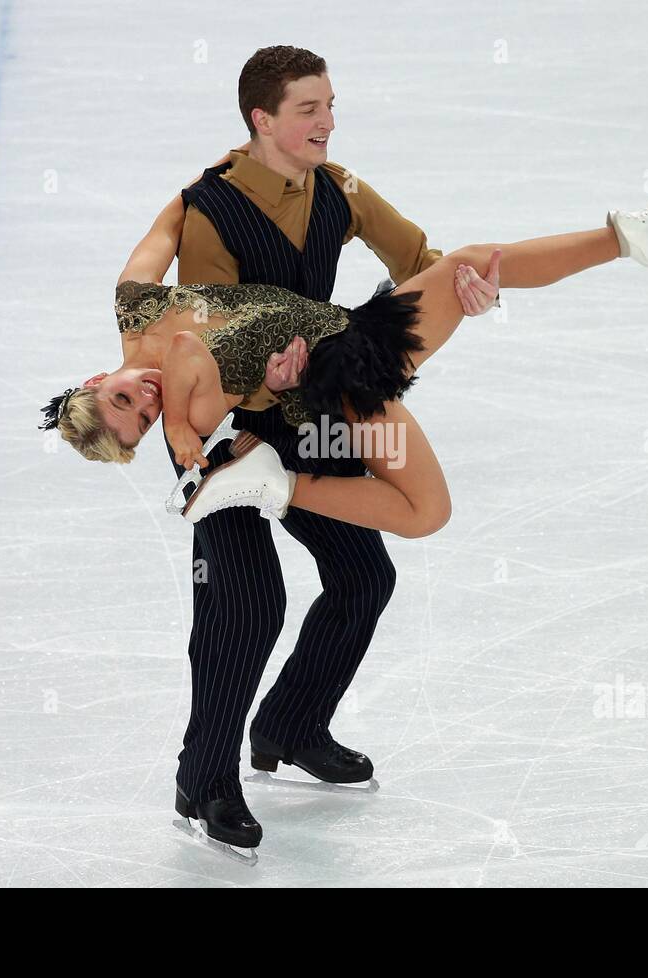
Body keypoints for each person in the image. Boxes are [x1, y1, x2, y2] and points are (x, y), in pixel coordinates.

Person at [45, 46, 500, 858]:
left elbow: (420, 263)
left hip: (306, 397)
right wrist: (195, 433)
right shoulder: (210, 212)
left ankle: (290, 725)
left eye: (330, 107)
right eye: (309, 109)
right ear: (265, 120)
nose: (327, 122)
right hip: (213, 425)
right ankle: (204, 775)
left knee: (366, 574)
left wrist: (464, 287)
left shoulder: (340, 189)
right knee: (247, 601)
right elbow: (192, 320)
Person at [45, 167, 648, 539]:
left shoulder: (135, 304)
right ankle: (633, 242)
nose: (150, 399)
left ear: (98, 377)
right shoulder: (185, 402)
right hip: (338, 375)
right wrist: (185, 423)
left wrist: (202, 189)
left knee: (471, 266)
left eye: (126, 397)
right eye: (144, 419)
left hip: (343, 328)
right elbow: (193, 349)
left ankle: (638, 242)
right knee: (428, 512)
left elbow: (171, 223)